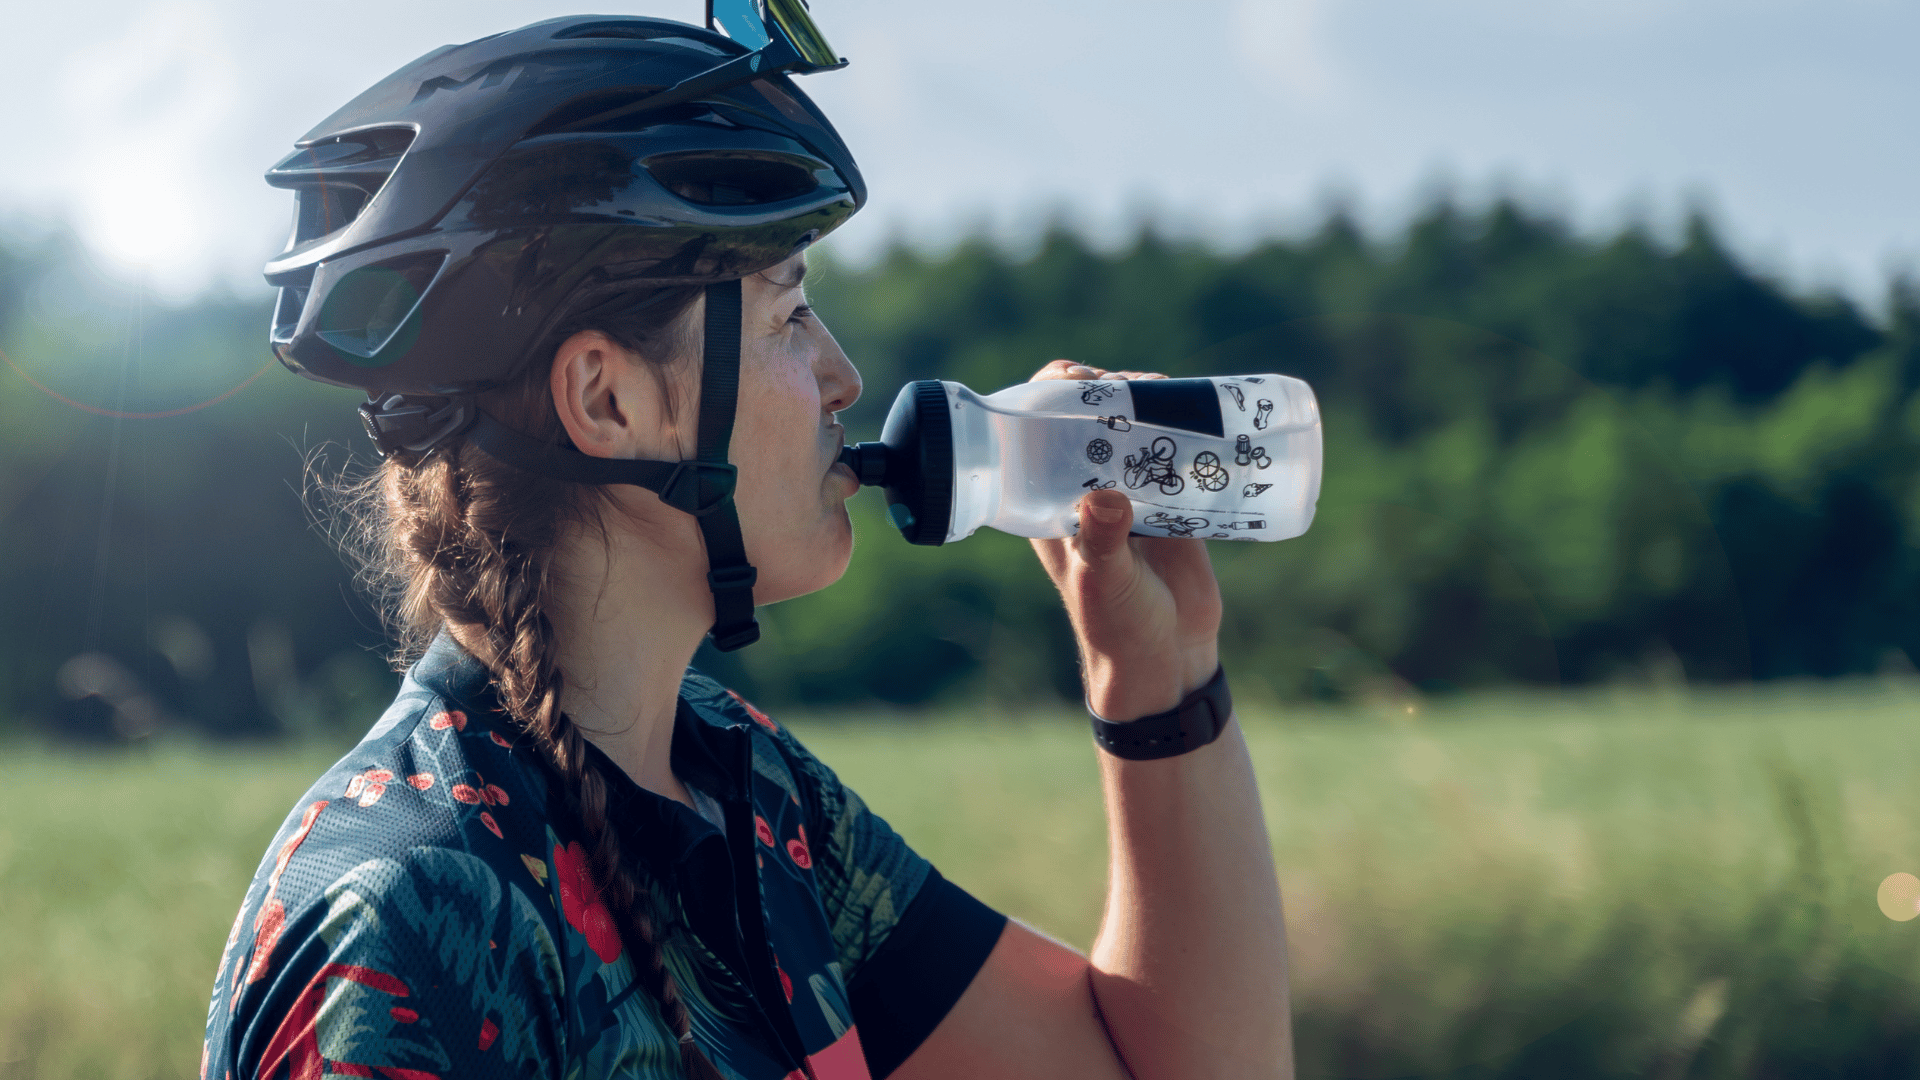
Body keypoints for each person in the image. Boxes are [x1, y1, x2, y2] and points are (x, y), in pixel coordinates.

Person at [203, 10, 1290, 1080]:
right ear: (608, 399)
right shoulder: (410, 918)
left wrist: (1158, 674)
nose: (843, 379)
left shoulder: (748, 795)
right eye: (787, 315)